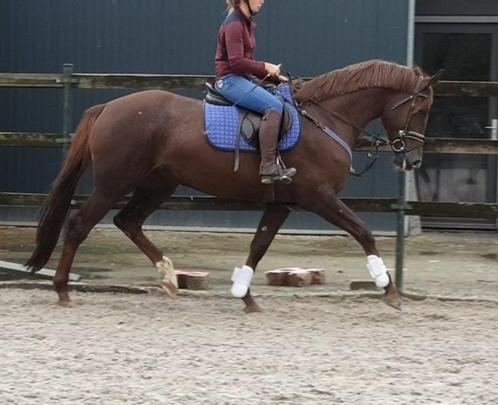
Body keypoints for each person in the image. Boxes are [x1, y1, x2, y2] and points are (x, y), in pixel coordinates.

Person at [214, 0, 297, 184]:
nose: (262, 1)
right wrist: (265, 67)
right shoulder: (235, 24)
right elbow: (236, 62)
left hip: (242, 78)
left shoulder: (245, 22)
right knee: (273, 106)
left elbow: (245, 62)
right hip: (229, 81)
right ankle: (268, 166)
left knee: (279, 94)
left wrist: (272, 77)